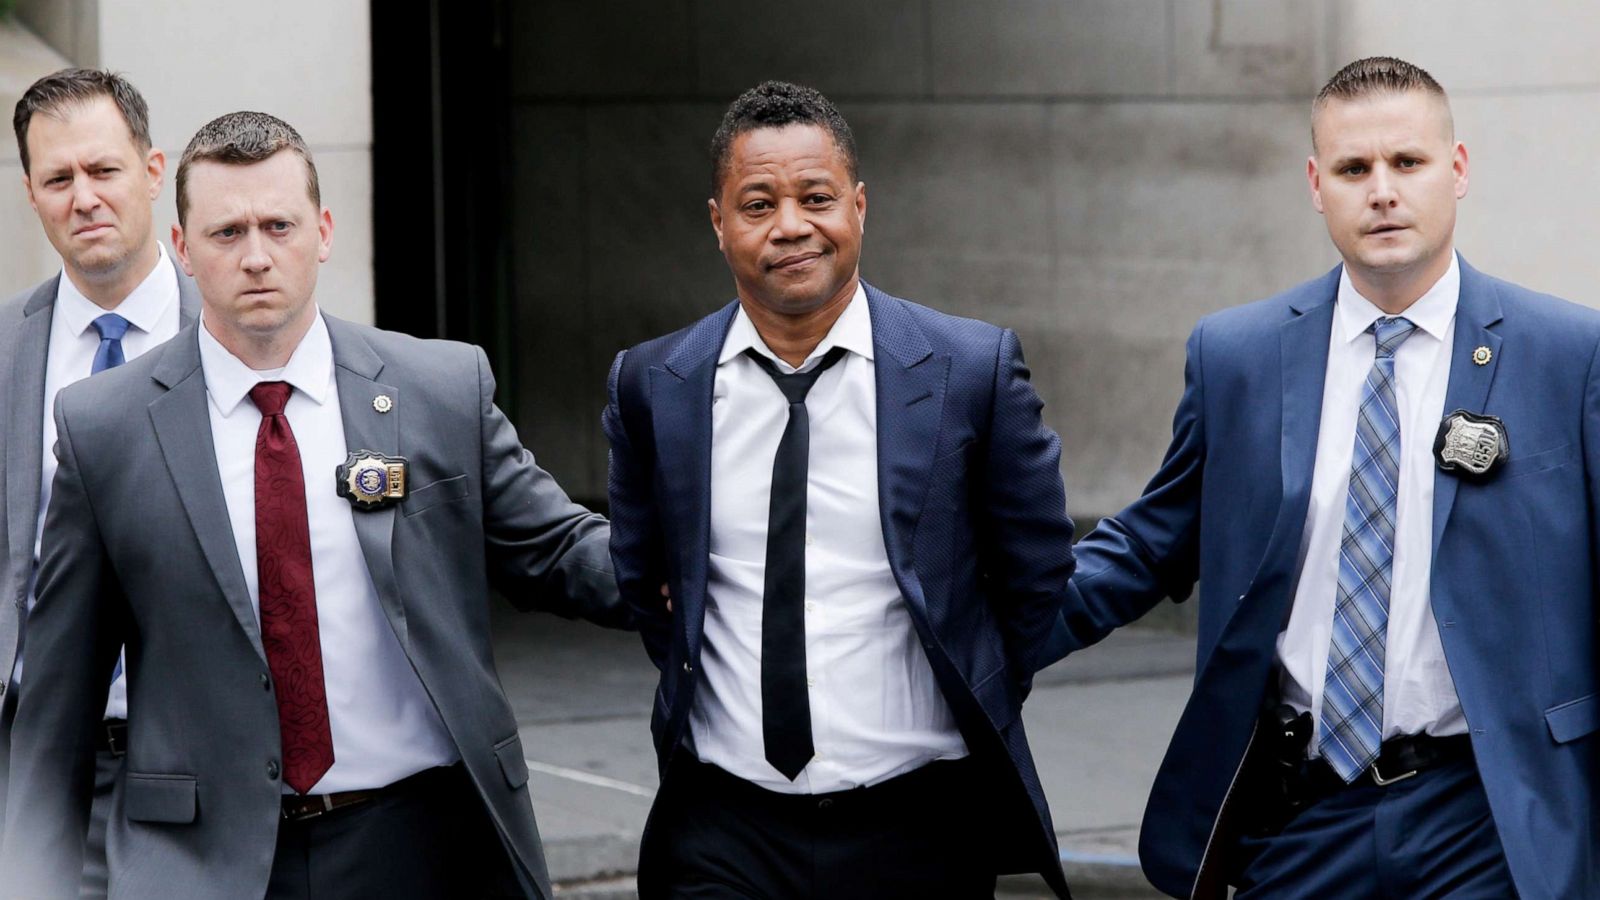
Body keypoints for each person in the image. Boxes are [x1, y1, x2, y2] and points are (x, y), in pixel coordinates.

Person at [0, 110, 627, 900]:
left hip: (418, 844)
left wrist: (704, 563)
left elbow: (560, 552)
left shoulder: (437, 389)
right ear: (185, 250)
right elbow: (56, 707)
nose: (257, 256)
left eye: (279, 226)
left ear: (323, 232)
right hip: (203, 864)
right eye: (227, 233)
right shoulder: (106, 429)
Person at [1059, 57, 1597, 898]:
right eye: (1354, 169)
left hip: (1488, 815)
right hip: (1301, 814)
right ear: (1317, 184)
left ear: (1456, 171)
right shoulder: (1239, 356)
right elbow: (1149, 545)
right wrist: (980, 626)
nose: (1381, 191)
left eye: (1407, 163)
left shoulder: (1568, 354)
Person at [605, 80, 1076, 899]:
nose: (791, 225)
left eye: (815, 197)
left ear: (858, 205)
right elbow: (647, 582)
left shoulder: (971, 370)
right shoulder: (654, 384)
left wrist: (976, 685)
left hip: (919, 822)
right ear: (719, 223)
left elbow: (1037, 575)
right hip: (722, 824)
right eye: (757, 203)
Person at [0, 68, 201, 896]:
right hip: (36, 769)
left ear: (153, 172)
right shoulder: (7, 353)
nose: (84, 197)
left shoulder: (234, 332)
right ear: (32, 194)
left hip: (198, 770)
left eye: (103, 170)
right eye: (58, 179)